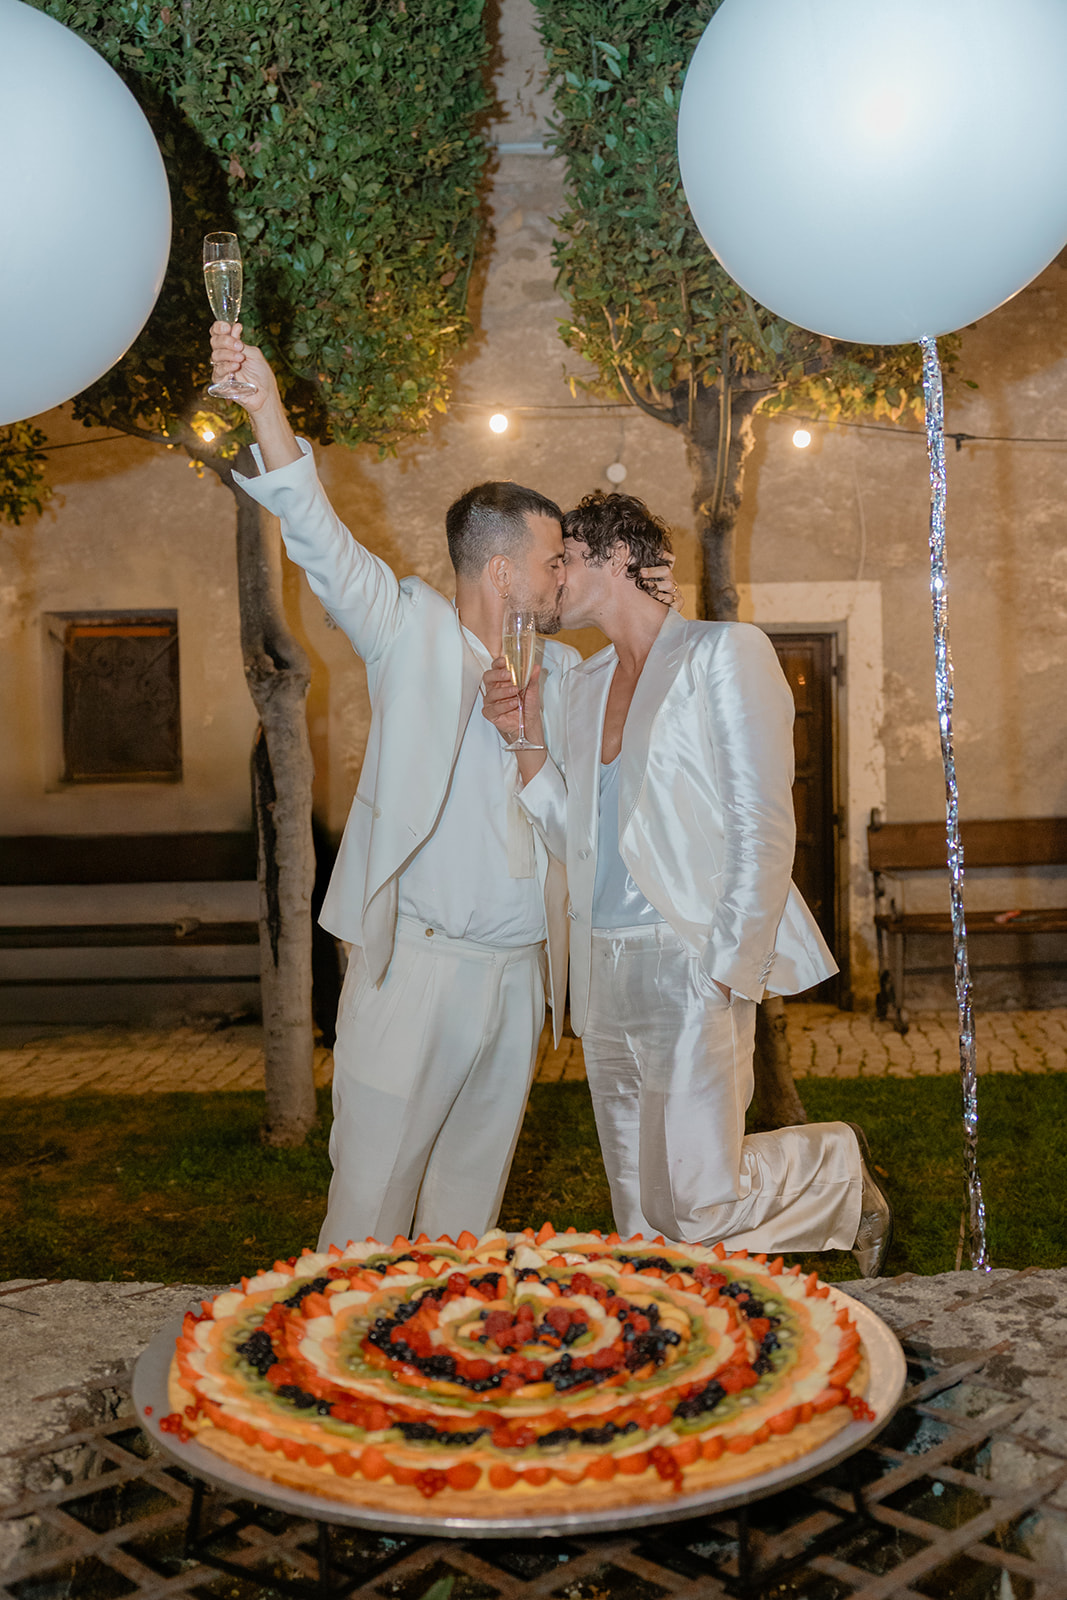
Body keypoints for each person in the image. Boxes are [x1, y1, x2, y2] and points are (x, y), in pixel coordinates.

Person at [208, 322, 581, 1251]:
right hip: (417, 971)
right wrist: (267, 407)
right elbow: (321, 542)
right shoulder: (406, 629)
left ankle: (438, 1383)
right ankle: (335, 1382)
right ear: (501, 570)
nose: (559, 576)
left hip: (516, 981)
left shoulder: (565, 674)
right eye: (551, 560)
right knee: (368, 1214)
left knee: (467, 1219)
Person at [482, 490, 893, 1275]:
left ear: (612, 559)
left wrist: (726, 969)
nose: (550, 579)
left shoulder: (722, 653)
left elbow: (762, 822)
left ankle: (835, 1169)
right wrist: (521, 740)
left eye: (561, 558)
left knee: (698, 1199)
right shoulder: (579, 684)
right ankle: (682, 1348)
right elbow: (578, 837)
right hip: (601, 967)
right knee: (638, 1207)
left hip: (688, 956)